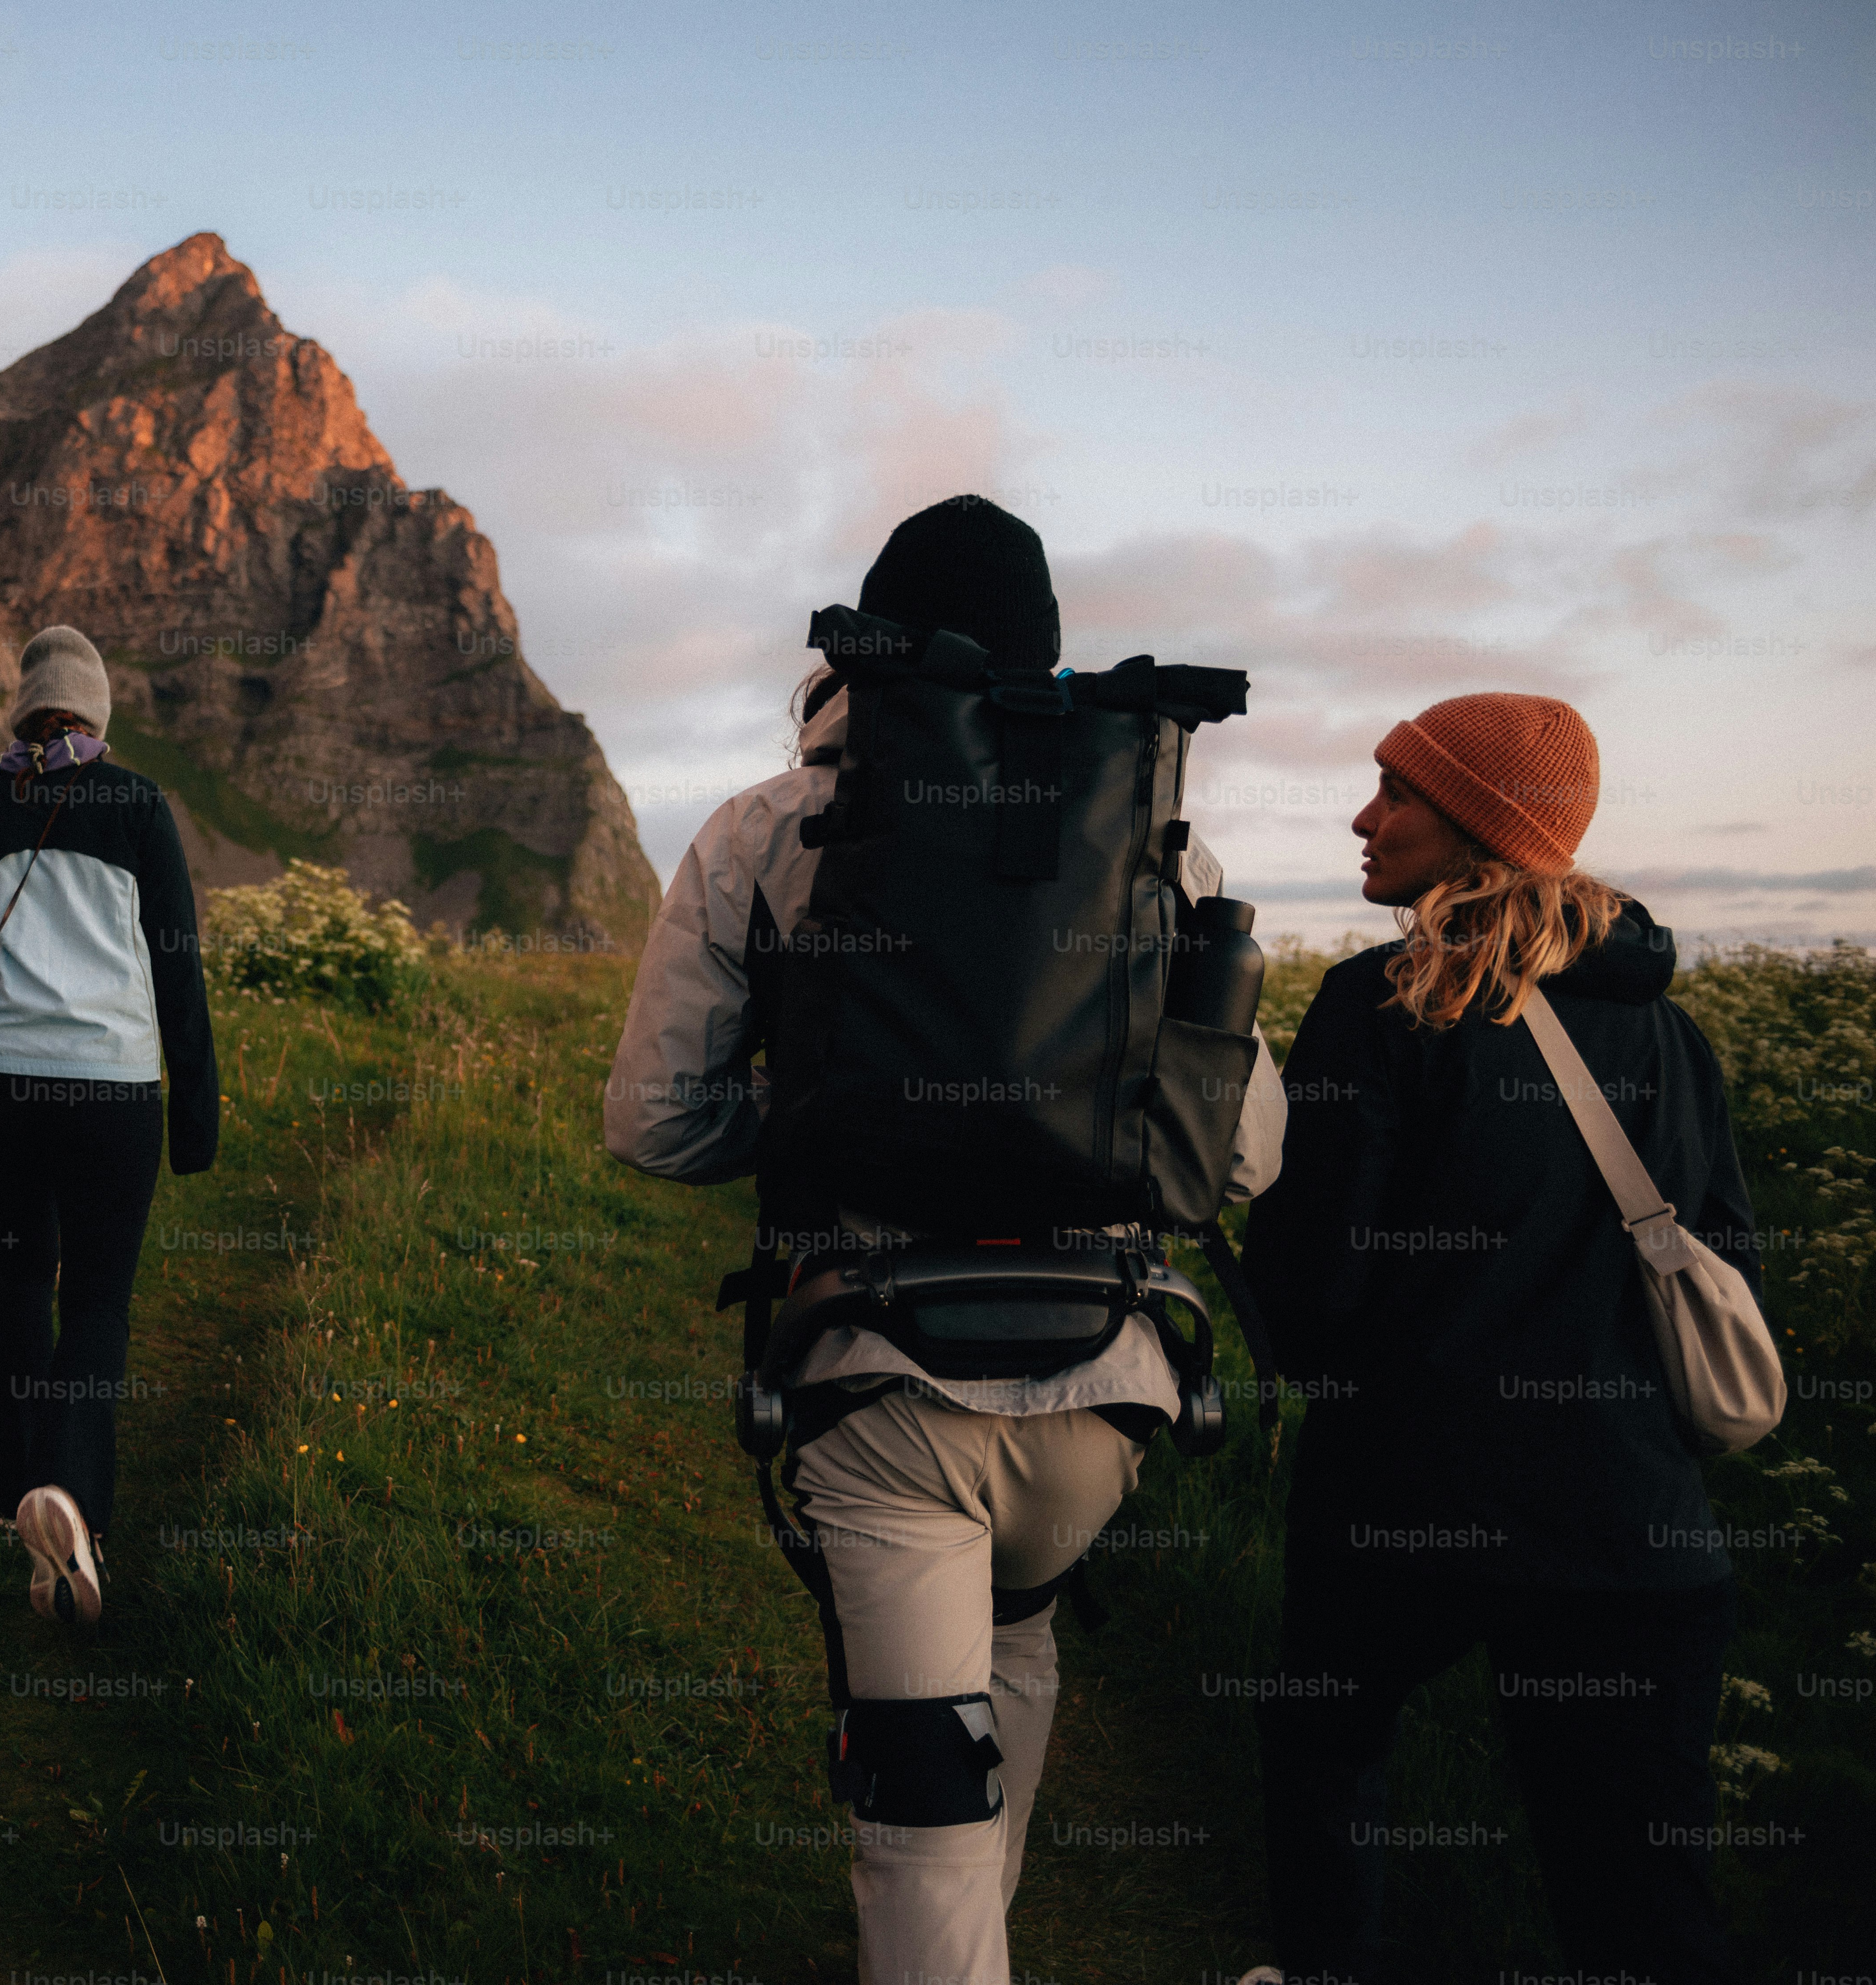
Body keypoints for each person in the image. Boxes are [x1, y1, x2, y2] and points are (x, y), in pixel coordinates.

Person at [604, 495, 1286, 1983]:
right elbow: (1239, 1153)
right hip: (1111, 1380)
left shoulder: (769, 827)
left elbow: (653, 1123)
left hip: (884, 1379)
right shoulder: (1157, 846)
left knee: (917, 1788)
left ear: (876, 647)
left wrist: (812, 1139)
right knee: (1021, 1640)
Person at [1246, 694, 1755, 1983]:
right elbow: (1729, 1267)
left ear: (1479, 828)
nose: (1364, 818)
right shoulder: (1674, 1037)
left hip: (1407, 1507)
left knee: (1324, 1769)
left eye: (1396, 794)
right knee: (1643, 1905)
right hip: (1639, 1535)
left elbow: (1313, 1296)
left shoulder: (1387, 1003)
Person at [0, 625, 221, 1625]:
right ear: (99, 715)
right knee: (99, 1303)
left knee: (24, 1273)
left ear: (23, 709)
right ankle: (72, 1495)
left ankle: (18, 1495)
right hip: (114, 1097)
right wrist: (196, 1117)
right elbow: (179, 973)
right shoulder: (137, 805)